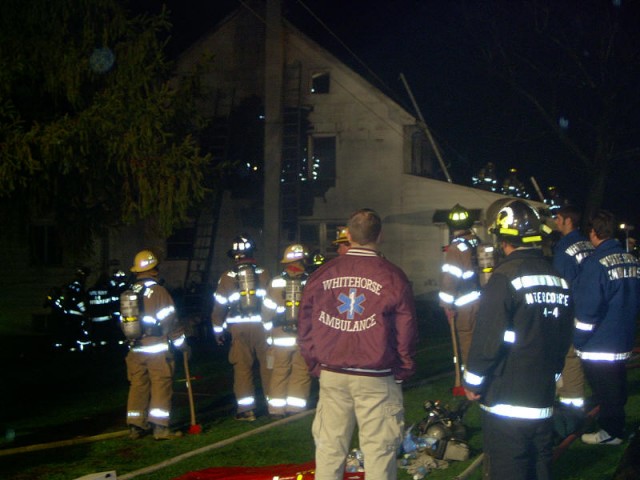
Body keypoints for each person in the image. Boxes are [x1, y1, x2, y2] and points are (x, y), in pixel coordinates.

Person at [298, 208, 418, 480]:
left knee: (329, 449)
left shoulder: (322, 274)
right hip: (376, 375)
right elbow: (406, 330)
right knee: (379, 451)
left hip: (332, 372)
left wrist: (315, 363)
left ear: (348, 236)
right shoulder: (393, 276)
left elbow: (304, 324)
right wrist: (404, 367)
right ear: (380, 236)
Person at [462, 199, 573, 480]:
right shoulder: (557, 279)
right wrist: (554, 373)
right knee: (540, 464)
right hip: (542, 394)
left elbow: (488, 339)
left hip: (506, 396)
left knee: (509, 466)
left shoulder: (504, 279)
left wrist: (473, 382)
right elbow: (562, 336)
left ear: (503, 241)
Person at [573, 209, 640, 445]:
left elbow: (588, 309)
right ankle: (617, 426)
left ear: (593, 232)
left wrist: (578, 339)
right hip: (623, 337)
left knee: (606, 391)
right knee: (617, 386)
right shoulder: (631, 259)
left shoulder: (595, 265)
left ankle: (611, 432)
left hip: (599, 342)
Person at [122, 250, 187, 440]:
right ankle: (160, 428)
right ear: (154, 270)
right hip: (157, 349)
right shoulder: (159, 292)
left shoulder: (129, 293)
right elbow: (170, 322)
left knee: (138, 386)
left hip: (135, 349)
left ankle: (136, 426)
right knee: (161, 384)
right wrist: (182, 345)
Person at [211, 235, 271, 421]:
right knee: (267, 366)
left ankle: (247, 410)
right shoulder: (263, 273)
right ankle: (273, 404)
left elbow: (219, 307)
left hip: (238, 328)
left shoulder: (227, 277)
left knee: (242, 368)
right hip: (262, 327)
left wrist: (218, 331)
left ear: (234, 256)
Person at [552, 205, 594, 423]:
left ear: (568, 220)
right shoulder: (588, 243)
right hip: (590, 309)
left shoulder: (565, 248)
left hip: (572, 311)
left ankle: (572, 407)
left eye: (558, 218)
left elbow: (561, 284)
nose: (555, 222)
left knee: (570, 358)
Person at [262, 244, 312, 418]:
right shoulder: (311, 281)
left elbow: (267, 312)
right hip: (303, 336)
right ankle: (295, 408)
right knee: (301, 371)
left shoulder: (276, 282)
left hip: (280, 335)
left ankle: (276, 409)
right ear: (303, 260)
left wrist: (269, 335)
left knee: (279, 370)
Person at [438, 204, 482, 383]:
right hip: (483, 300)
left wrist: (447, 305)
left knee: (468, 343)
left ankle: (470, 382)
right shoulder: (477, 242)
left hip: (466, 305)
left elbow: (450, 279)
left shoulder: (456, 248)